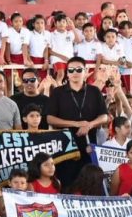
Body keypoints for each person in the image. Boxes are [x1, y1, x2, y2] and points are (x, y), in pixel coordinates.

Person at [46, 56, 109, 188]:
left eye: (79, 70)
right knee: (67, 185)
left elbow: (104, 116)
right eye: (71, 70)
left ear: (86, 71)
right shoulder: (58, 92)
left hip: (89, 146)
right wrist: (76, 124)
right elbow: (50, 118)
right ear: (67, 73)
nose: (75, 73)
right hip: (65, 149)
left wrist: (89, 125)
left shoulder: (94, 91)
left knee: (90, 185)